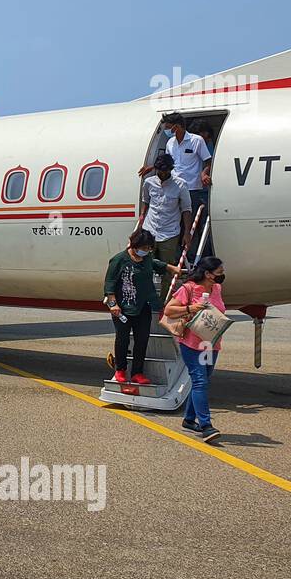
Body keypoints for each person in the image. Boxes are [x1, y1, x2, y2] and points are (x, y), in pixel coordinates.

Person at [163, 256, 227, 442]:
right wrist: (192, 307)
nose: (222, 275)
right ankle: (206, 425)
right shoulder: (188, 288)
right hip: (192, 344)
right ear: (208, 274)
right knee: (199, 381)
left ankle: (189, 419)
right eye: (219, 272)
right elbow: (169, 310)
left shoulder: (217, 288)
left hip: (210, 344)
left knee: (204, 379)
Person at [103, 228, 174, 387]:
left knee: (142, 340)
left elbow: (156, 264)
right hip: (123, 308)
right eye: (144, 248)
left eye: (149, 248)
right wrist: (113, 304)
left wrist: (171, 268)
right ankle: (120, 369)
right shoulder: (119, 260)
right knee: (122, 339)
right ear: (135, 246)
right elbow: (109, 284)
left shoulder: (147, 258)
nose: (147, 251)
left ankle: (137, 373)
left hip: (143, 306)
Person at [141, 112, 213, 255]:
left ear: (177, 127)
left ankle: (192, 258)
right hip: (173, 188)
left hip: (192, 188)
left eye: (168, 127)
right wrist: (153, 167)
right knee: (174, 223)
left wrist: (204, 173)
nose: (167, 130)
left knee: (192, 225)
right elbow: (169, 163)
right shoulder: (170, 143)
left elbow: (208, 161)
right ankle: (175, 256)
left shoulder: (196, 140)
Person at [139, 152, 192, 274]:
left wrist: (187, 233)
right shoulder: (148, 183)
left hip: (170, 232)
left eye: (165, 172)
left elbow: (186, 209)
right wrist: (141, 219)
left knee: (168, 269)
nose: (162, 174)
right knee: (145, 266)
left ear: (171, 170)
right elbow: (145, 202)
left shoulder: (180, 184)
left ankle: (166, 293)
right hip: (149, 229)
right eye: (160, 172)